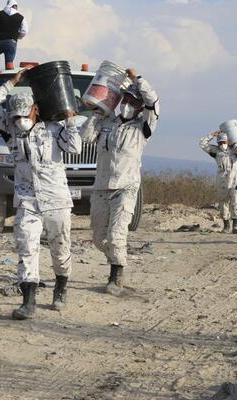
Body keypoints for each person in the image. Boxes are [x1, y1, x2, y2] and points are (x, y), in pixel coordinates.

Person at [0, 68, 81, 320]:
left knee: (60, 249)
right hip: (28, 199)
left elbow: (75, 147)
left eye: (24, 114)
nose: (19, 120)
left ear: (35, 109)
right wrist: (12, 82)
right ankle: (28, 301)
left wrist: (70, 120)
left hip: (56, 199)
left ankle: (61, 287)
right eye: (15, 116)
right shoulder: (11, 131)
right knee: (26, 245)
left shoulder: (53, 129)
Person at [80, 68, 159, 296]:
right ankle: (117, 256)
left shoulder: (143, 128)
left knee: (116, 235)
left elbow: (154, 101)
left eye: (133, 101)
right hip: (102, 187)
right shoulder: (107, 123)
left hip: (126, 187)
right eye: (125, 99)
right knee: (97, 237)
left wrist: (137, 79)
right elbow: (85, 137)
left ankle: (116, 276)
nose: (128, 104)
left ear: (139, 106)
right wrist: (96, 112)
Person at [200, 130, 237, 234]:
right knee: (223, 204)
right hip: (222, 181)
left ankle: (236, 226)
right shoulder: (215, 151)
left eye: (224, 142)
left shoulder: (234, 150)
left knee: (235, 202)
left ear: (228, 142)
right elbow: (202, 144)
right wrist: (212, 135)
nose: (222, 144)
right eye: (220, 142)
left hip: (235, 181)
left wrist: (236, 145)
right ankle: (226, 226)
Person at [0, 0, 29, 76]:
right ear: (15, 6)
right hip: (11, 43)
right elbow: (24, 31)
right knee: (9, 63)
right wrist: (16, 37)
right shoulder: (21, 17)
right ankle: (8, 79)